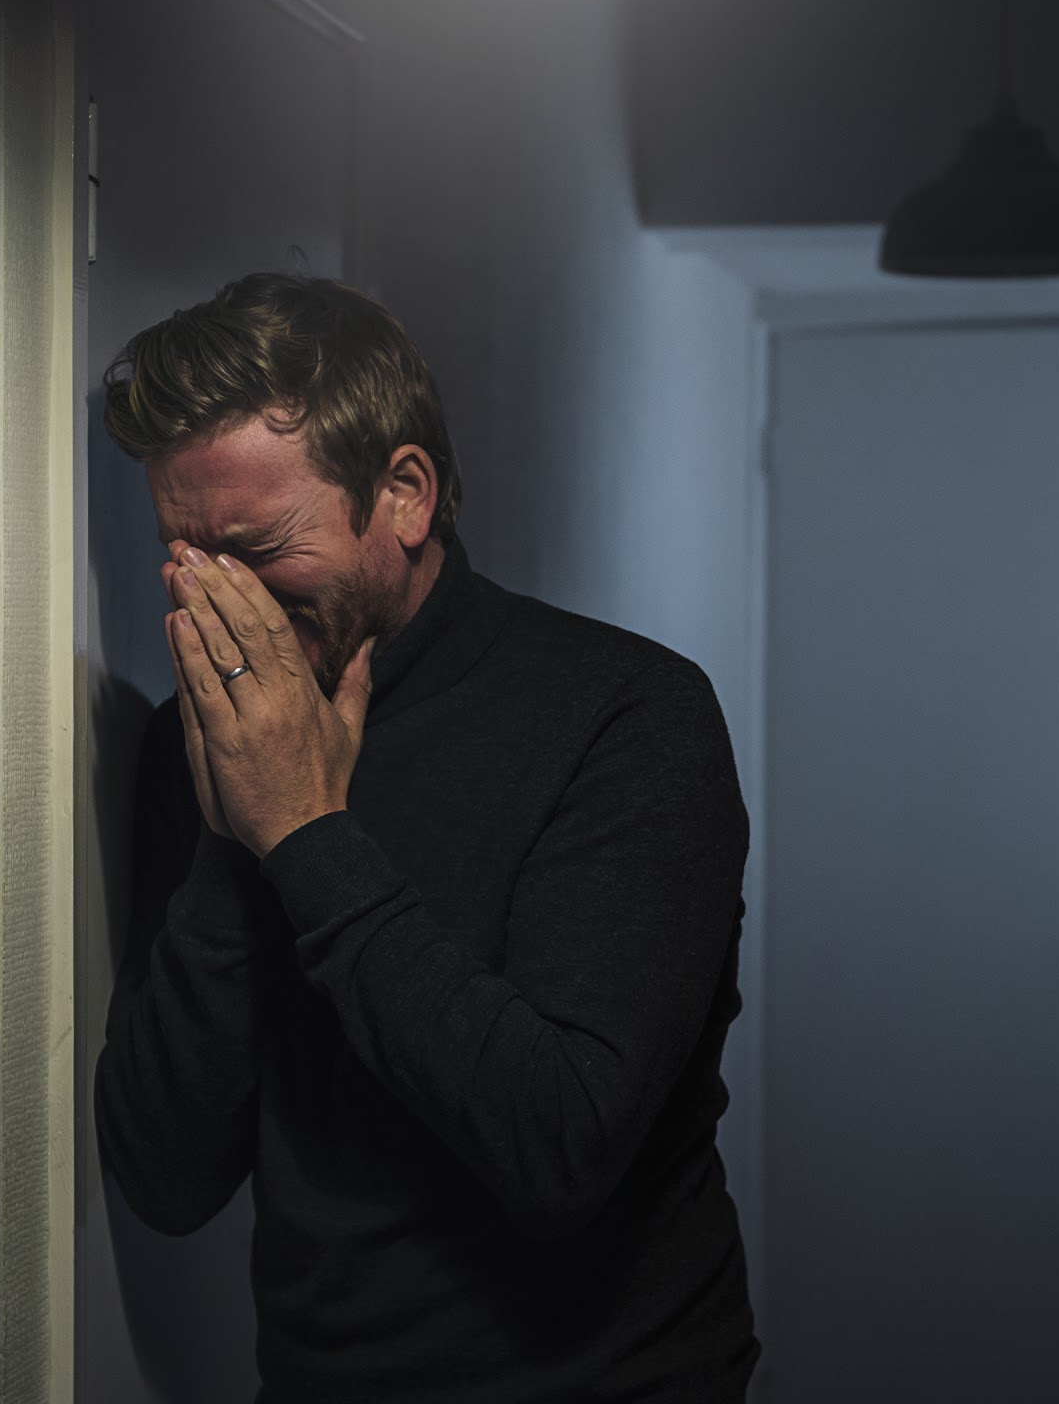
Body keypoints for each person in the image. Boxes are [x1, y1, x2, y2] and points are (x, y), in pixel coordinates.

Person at [93, 271, 760, 1404]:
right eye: (187, 557)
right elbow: (164, 1176)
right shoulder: (196, 745)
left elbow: (558, 1141)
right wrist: (229, 837)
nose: (220, 607)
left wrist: (304, 832)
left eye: (255, 549)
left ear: (404, 492)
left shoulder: (624, 716)